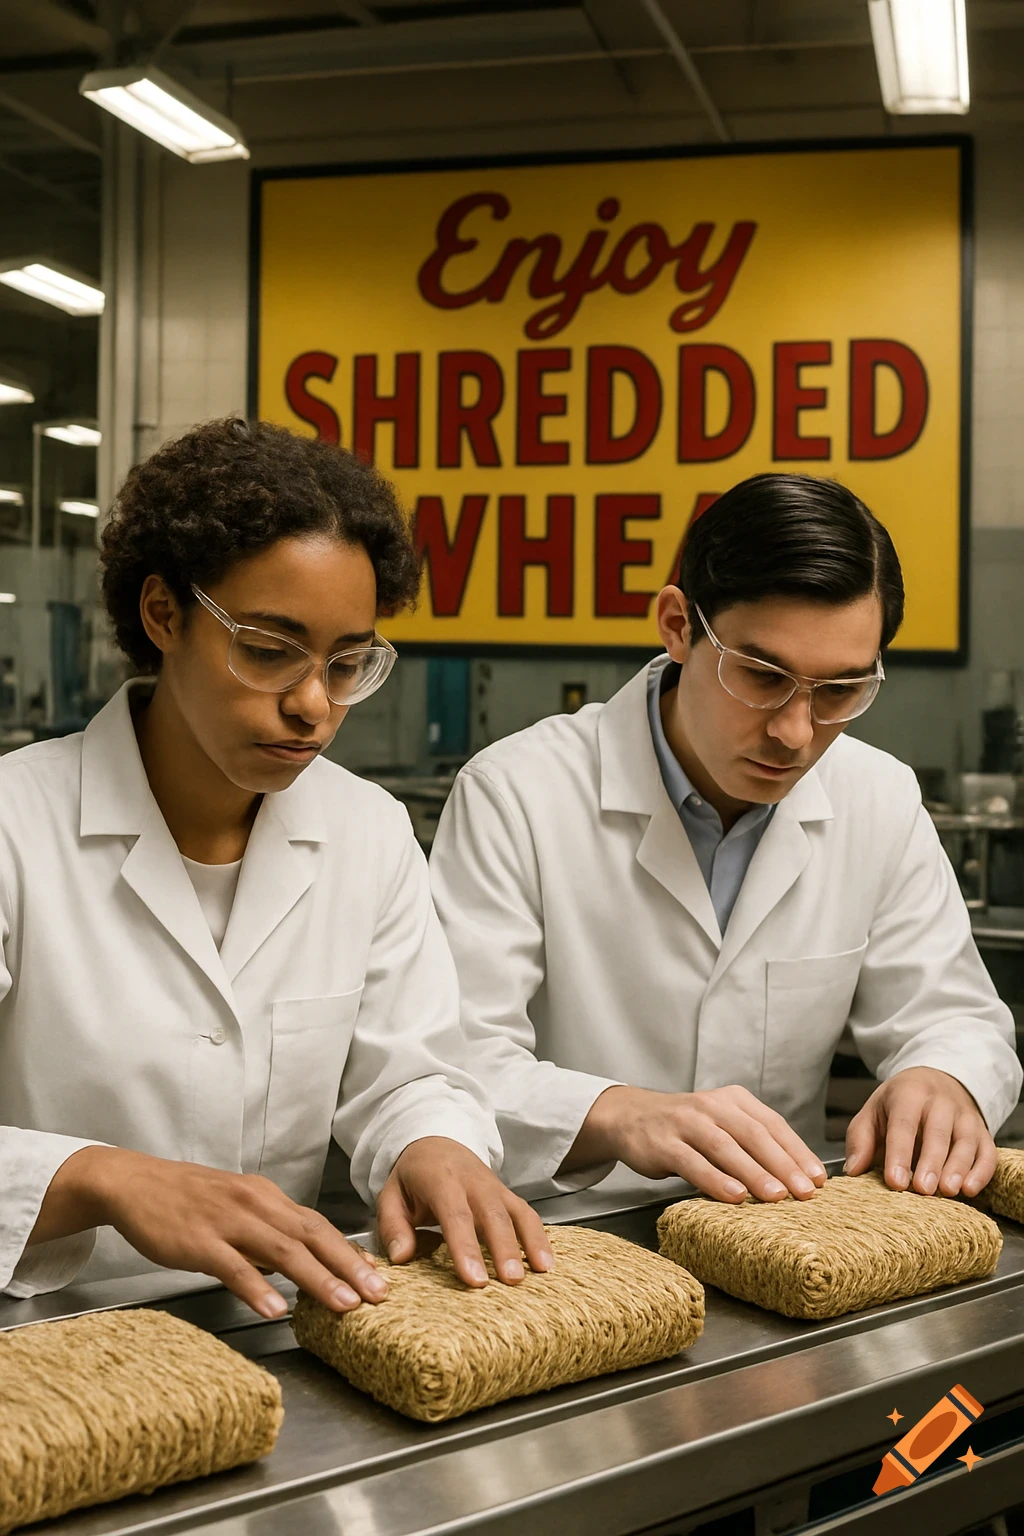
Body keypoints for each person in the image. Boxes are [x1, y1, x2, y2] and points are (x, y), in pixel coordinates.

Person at [0, 417, 552, 1317]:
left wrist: (434, 1143)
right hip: (47, 1337)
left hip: (273, 1328)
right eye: (268, 650)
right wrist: (100, 1177)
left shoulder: (366, 832)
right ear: (164, 615)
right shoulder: (14, 826)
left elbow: (408, 1074)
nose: (311, 705)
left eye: (346, 664)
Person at [430, 473, 1022, 1207]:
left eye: (840, 691)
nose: (795, 733)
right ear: (678, 624)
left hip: (784, 1231)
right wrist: (619, 1114)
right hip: (569, 1235)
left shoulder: (878, 796)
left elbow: (953, 1014)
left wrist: (943, 1077)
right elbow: (448, 1065)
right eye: (762, 675)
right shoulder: (518, 791)